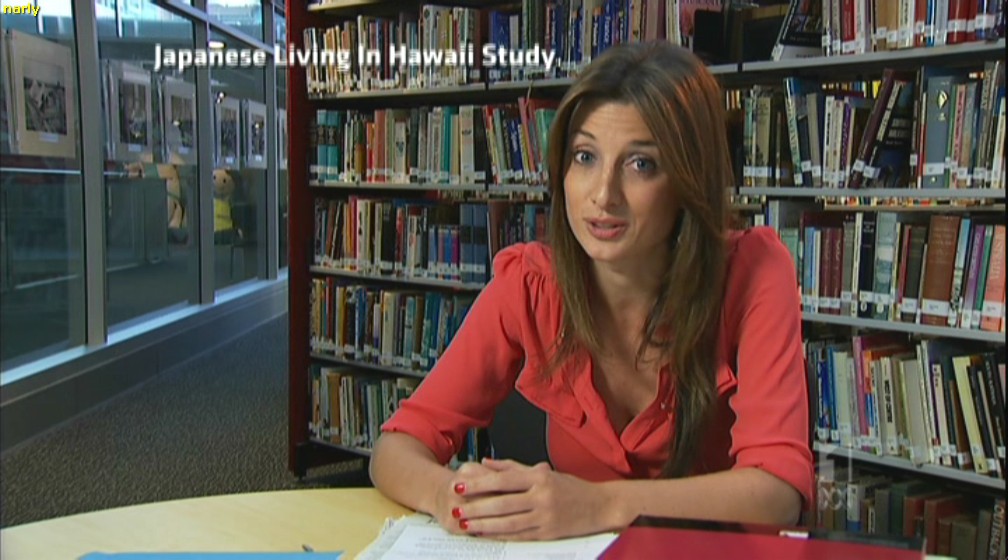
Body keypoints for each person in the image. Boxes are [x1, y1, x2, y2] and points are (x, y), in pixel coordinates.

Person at [369, 41, 813, 542]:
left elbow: (777, 494)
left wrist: (598, 504)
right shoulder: (530, 285)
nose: (603, 195)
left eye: (641, 164)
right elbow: (395, 448)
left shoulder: (755, 272)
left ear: (689, 180)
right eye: (585, 157)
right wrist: (447, 496)